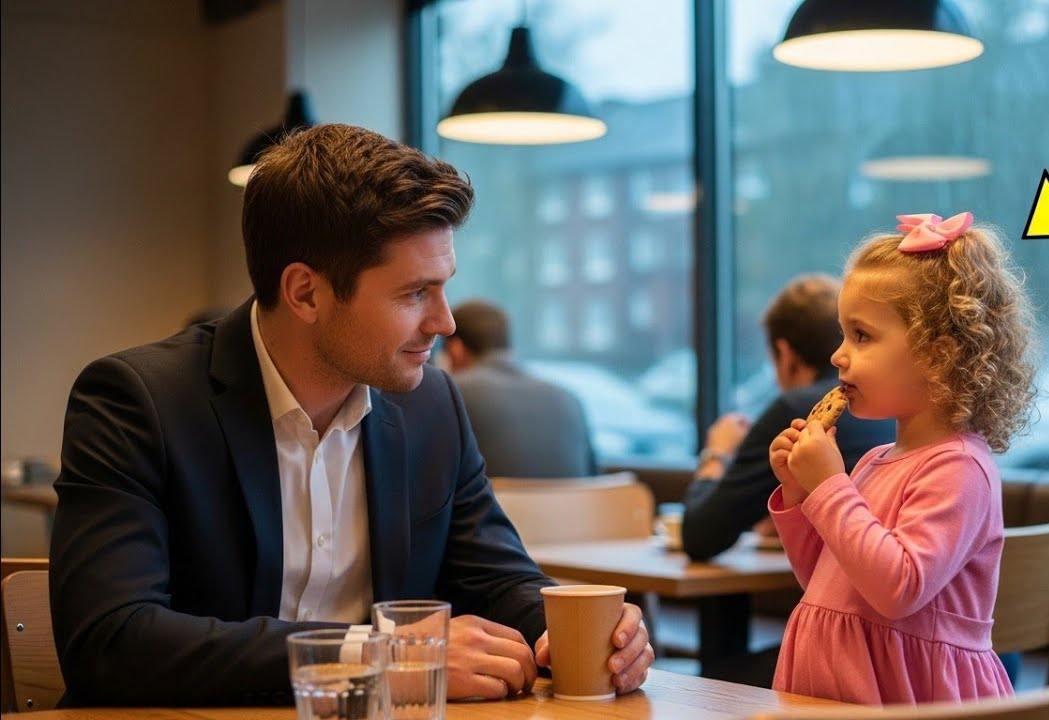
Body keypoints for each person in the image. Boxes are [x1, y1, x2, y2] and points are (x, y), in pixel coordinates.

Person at [48, 124, 653, 707]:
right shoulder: (138, 401)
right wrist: (387, 653)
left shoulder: (432, 407)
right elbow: (110, 642)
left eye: (443, 287)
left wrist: (593, 630)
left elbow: (497, 582)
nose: (444, 322)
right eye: (414, 292)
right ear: (306, 292)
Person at [768, 212, 1037, 705]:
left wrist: (829, 487)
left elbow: (897, 590)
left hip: (913, 696)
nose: (838, 356)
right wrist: (801, 492)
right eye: (842, 334)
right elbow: (832, 582)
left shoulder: (960, 469)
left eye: (862, 336)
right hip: (845, 690)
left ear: (937, 355)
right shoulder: (872, 461)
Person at [682, 274, 894, 561]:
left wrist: (716, 454)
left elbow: (700, 537)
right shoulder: (887, 407)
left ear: (784, 353)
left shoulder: (795, 410)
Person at [444, 300, 597, 478]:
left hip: (500, 505)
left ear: (455, 349)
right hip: (575, 506)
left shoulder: (451, 392)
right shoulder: (570, 399)